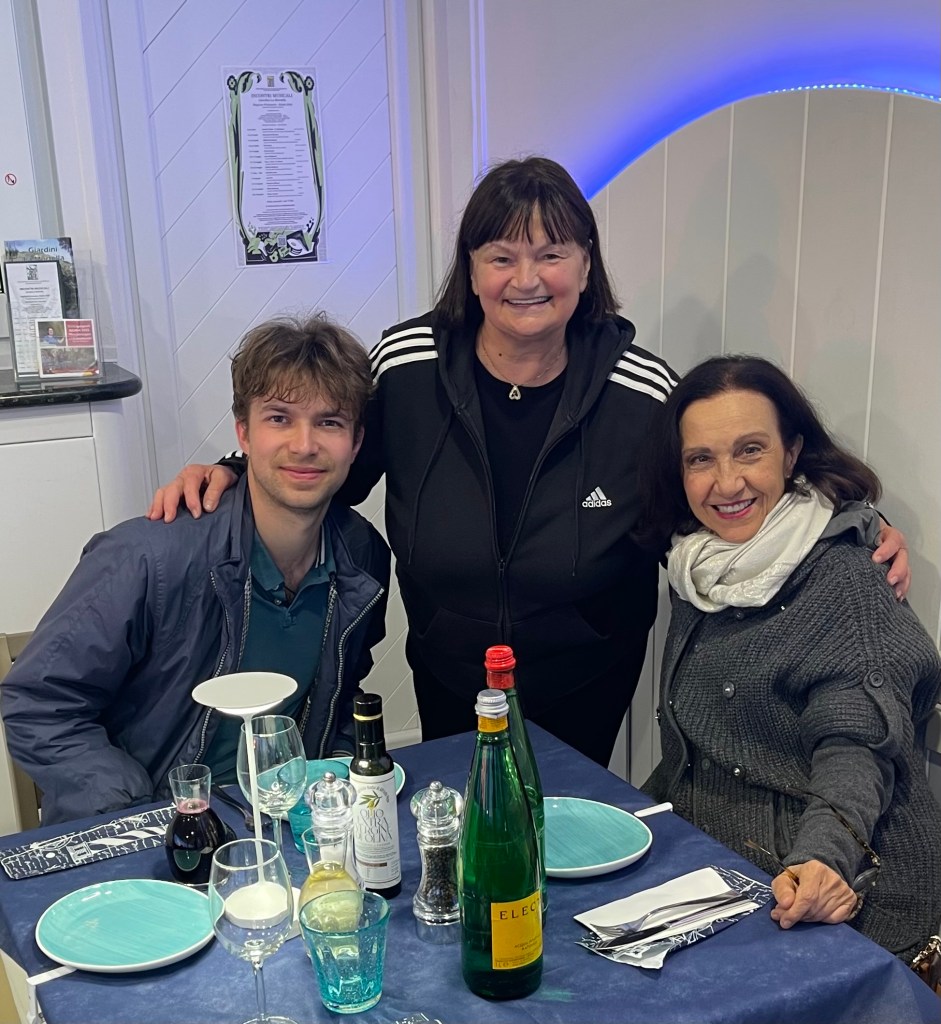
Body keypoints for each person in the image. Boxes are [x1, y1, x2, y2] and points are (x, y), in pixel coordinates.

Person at [147, 157, 911, 767]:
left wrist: (849, 529)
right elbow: (323, 455)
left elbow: (726, 494)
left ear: (585, 265)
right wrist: (232, 470)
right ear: (470, 268)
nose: (525, 279)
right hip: (448, 676)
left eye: (550, 254)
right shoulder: (407, 366)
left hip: (586, 687)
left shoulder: (642, 392)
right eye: (501, 256)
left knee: (563, 857)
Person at [2, 314, 390, 825]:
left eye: (329, 422)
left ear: (356, 442)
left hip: (287, 826)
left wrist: (334, 773)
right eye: (279, 418)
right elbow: (38, 701)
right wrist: (140, 817)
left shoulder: (362, 556)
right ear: (243, 432)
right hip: (154, 826)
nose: (304, 445)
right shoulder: (147, 556)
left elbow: (342, 693)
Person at [635, 354, 941, 962]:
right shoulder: (700, 564)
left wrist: (825, 857)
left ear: (792, 453)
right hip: (723, 869)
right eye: (701, 459)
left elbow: (857, 747)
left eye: (750, 450)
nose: (727, 483)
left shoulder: (846, 578)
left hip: (843, 897)